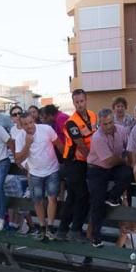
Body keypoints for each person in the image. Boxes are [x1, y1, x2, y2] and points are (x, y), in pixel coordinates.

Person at [86, 108, 133, 248]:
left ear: (114, 120)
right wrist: (125, 160)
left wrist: (130, 160)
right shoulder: (97, 137)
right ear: (100, 124)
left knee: (128, 173)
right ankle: (96, 236)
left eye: (110, 122)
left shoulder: (122, 130)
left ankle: (112, 197)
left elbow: (129, 148)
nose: (108, 126)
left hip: (114, 166)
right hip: (97, 168)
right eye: (104, 124)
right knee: (97, 202)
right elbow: (108, 161)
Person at [58, 89, 98, 240]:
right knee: (82, 196)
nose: (80, 104)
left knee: (73, 197)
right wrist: (93, 162)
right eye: (77, 102)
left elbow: (96, 136)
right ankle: (75, 229)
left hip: (85, 161)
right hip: (74, 163)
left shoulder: (93, 115)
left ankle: (63, 230)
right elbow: (81, 145)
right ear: (73, 103)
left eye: (82, 101)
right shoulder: (71, 122)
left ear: (86, 100)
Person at [14, 113, 61, 241]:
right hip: (35, 172)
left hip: (52, 169)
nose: (29, 126)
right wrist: (27, 145)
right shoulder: (20, 137)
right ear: (21, 125)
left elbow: (58, 143)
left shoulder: (46, 129)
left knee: (52, 198)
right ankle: (41, 226)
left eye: (30, 122)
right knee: (37, 200)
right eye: (26, 124)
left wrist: (64, 160)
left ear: (33, 120)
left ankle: (50, 226)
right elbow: (18, 158)